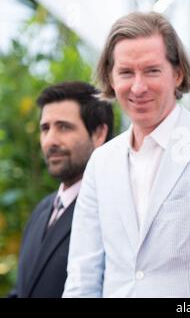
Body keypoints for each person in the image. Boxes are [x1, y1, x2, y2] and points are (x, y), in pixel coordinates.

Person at [62, 12, 190, 298]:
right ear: (110, 76)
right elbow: (83, 273)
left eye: (151, 70)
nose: (138, 87)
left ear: (178, 73)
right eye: (125, 72)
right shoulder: (101, 162)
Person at [7, 81, 114, 298]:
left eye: (64, 127)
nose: (50, 141)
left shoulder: (112, 211)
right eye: (45, 128)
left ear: (99, 134)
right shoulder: (42, 210)